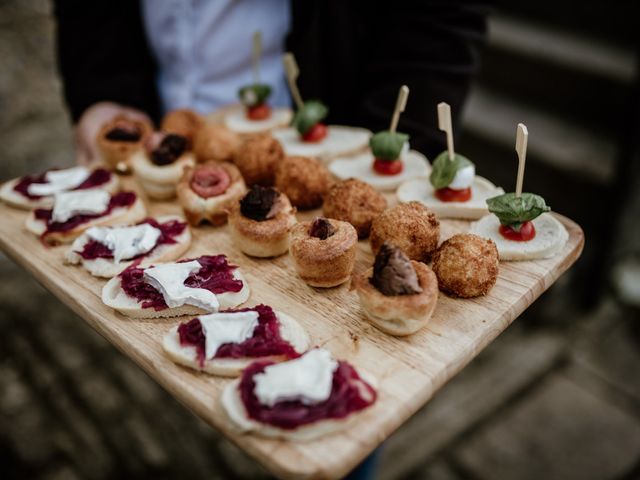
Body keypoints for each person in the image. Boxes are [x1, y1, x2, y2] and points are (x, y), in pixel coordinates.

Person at [54, 0, 489, 165]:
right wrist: (101, 91)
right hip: (151, 137)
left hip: (312, 142)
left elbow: (439, 19)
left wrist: (388, 157)